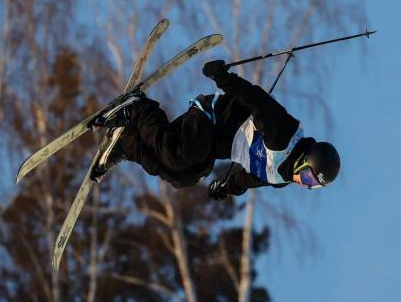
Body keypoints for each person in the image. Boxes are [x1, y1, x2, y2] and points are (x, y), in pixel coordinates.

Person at [90, 60, 340, 200]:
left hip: (214, 144)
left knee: (183, 176)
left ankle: (126, 142)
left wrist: (225, 188)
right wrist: (224, 78)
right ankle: (136, 108)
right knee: (179, 155)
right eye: (307, 177)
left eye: (311, 186)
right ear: (305, 161)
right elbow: (257, 100)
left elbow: (249, 179)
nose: (303, 183)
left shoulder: (280, 178)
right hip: (214, 115)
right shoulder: (284, 134)